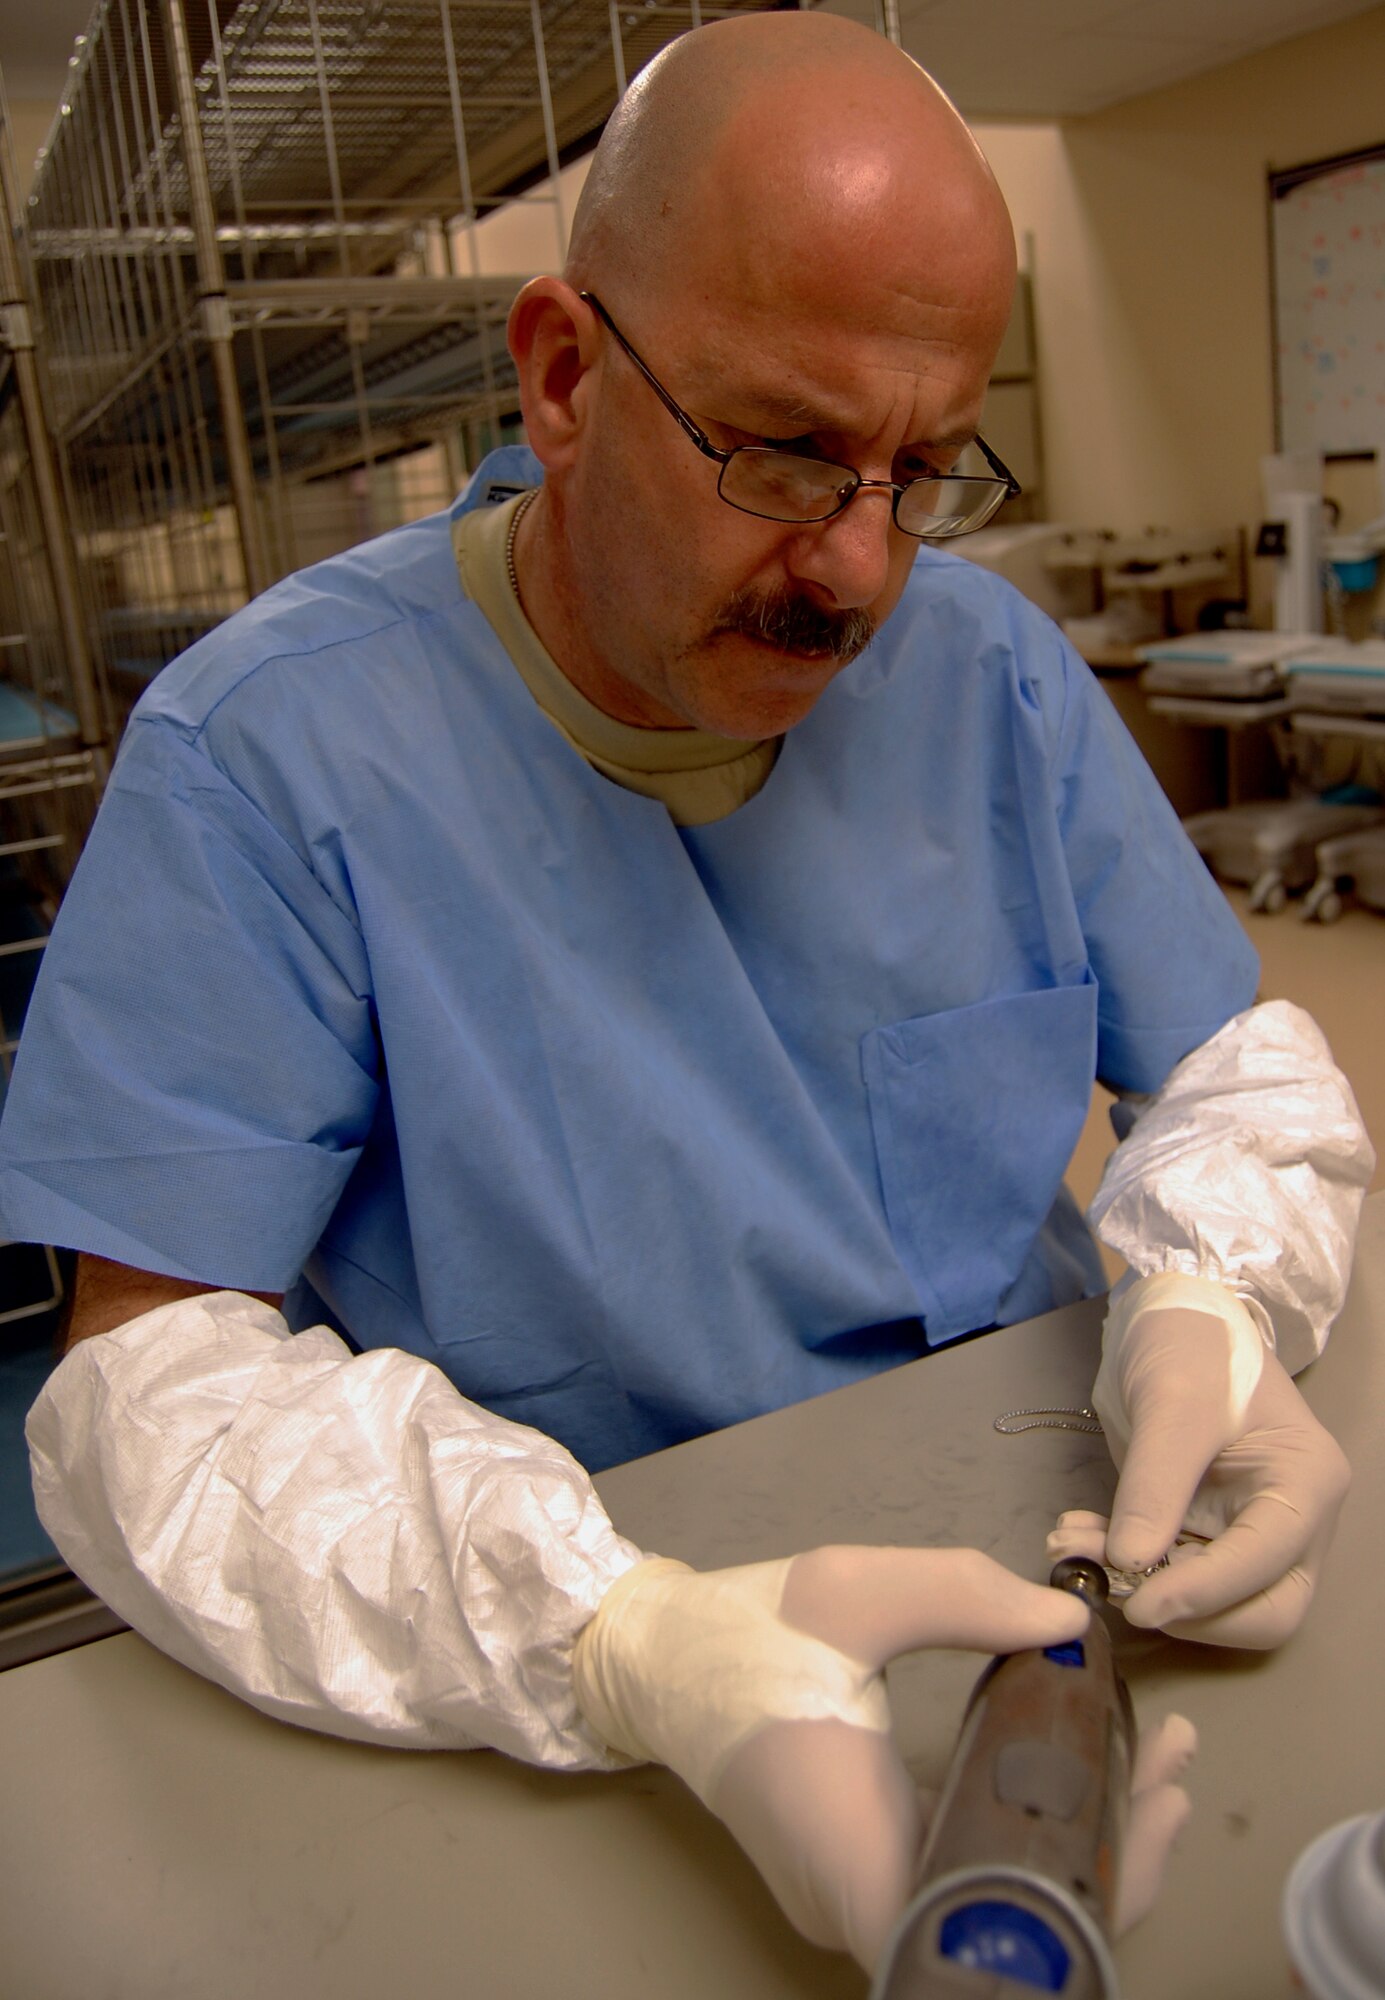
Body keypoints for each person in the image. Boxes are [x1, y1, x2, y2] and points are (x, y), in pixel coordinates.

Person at [0, 10, 1371, 1972]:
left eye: (924, 466)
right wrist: (619, 1641)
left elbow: (1234, 1068)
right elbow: (148, 1393)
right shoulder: (273, 758)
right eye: (789, 452)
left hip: (1061, 1563)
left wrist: (1214, 1306)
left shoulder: (983, 674)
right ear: (563, 376)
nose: (862, 569)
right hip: (577, 1625)